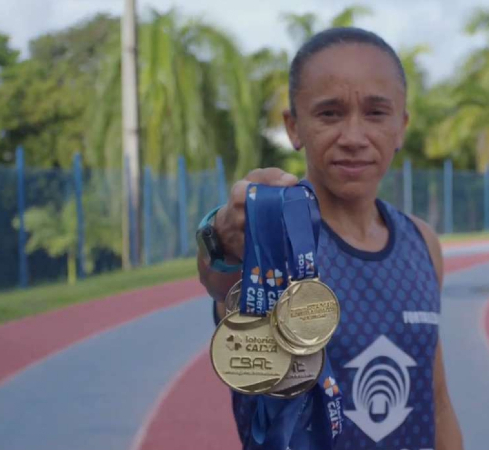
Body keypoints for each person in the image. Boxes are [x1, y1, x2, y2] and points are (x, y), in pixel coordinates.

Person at [197, 27, 463, 450]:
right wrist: (222, 238)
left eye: (376, 113)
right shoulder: (271, 241)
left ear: (401, 127)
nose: (354, 137)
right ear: (294, 125)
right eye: (330, 114)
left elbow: (437, 400)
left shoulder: (423, 242)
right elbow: (219, 276)